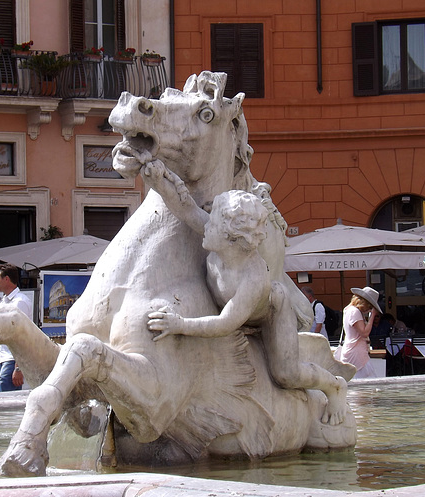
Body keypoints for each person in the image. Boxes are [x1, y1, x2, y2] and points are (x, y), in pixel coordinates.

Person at [144, 162, 348, 425]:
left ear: (232, 237)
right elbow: (187, 210)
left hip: (270, 313)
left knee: (286, 373)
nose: (205, 225)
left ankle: (335, 386)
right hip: (236, 309)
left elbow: (225, 323)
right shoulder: (220, 240)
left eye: (213, 224)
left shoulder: (251, 279)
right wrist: (160, 180)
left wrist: (179, 325)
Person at [0, 263, 32, 392]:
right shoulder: (5, 300)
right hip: (4, 359)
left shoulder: (19, 302)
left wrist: (18, 367)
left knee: (3, 404)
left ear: (7, 279)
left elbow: (23, 336)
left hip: (11, 360)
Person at [339, 287, 382, 379]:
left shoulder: (348, 309)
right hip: (356, 352)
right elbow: (364, 333)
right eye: (370, 306)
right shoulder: (355, 312)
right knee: (368, 383)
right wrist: (372, 316)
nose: (369, 309)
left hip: (352, 350)